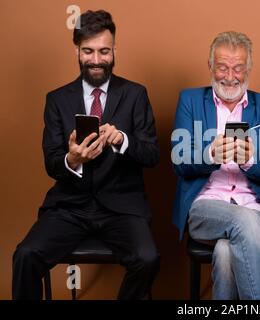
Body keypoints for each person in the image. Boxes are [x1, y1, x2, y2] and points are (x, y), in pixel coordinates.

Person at [12, 10, 160, 300]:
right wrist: (73, 160)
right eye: (88, 51)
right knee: (25, 255)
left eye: (104, 51)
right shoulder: (57, 99)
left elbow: (152, 154)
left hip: (122, 207)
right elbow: (52, 162)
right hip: (71, 206)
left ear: (114, 50)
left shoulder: (135, 95)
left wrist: (123, 140)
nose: (95, 60)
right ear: (77, 50)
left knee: (148, 258)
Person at [171, 31, 260, 300]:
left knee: (224, 251)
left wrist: (250, 160)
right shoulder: (190, 100)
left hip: (253, 207)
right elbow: (179, 160)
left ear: (249, 69)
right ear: (210, 66)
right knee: (244, 223)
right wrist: (209, 154)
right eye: (222, 67)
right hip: (204, 207)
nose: (230, 76)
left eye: (238, 68)